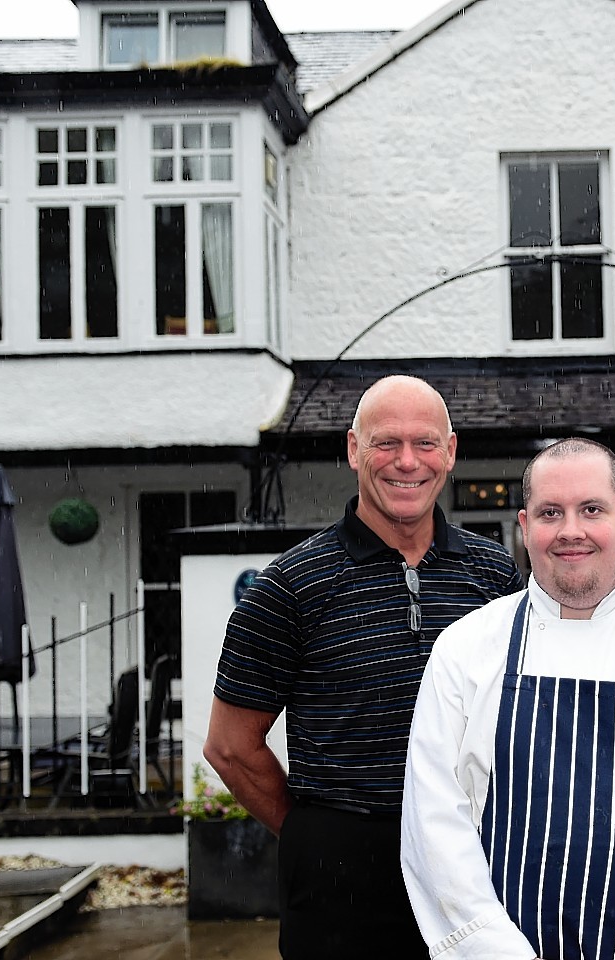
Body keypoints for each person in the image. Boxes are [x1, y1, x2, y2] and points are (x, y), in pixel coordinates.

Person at [204, 375, 523, 958]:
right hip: (339, 880)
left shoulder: (495, 576)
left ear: (450, 453)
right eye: (386, 443)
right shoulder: (290, 586)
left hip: (476, 862)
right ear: (354, 450)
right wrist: (315, 838)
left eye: (425, 443)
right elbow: (229, 747)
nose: (408, 461)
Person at [401, 438, 615, 960]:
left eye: (591, 510)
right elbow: (435, 832)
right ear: (524, 527)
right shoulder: (465, 653)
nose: (570, 531)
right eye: (550, 513)